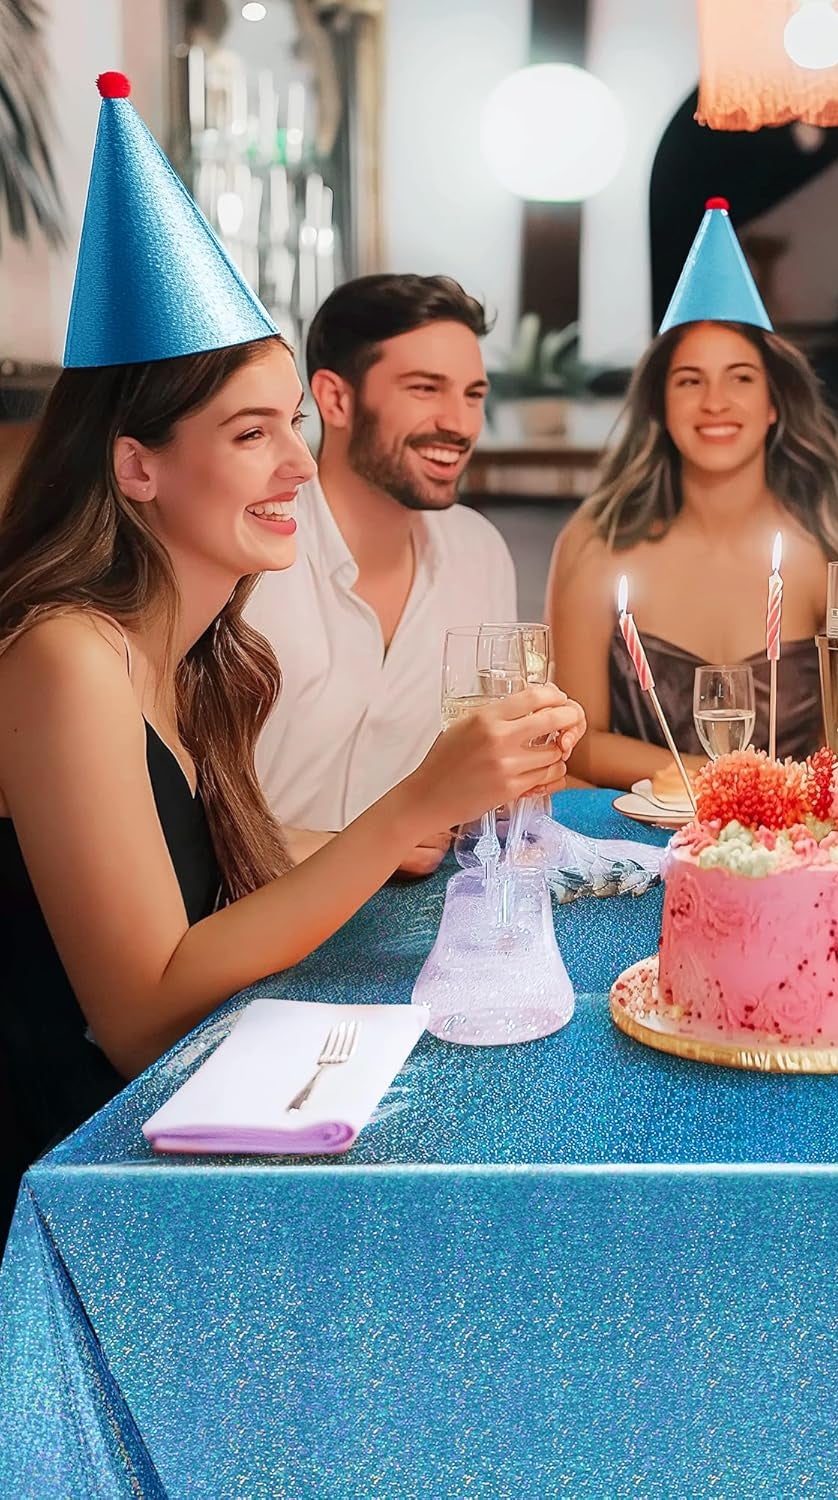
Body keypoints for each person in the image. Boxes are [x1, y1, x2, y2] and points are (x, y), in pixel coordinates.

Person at [0, 75, 584, 1209]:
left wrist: (375, 835)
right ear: (137, 466)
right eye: (251, 432)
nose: (299, 466)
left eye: (294, 430)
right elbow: (137, 1015)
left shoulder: (196, 650)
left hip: (177, 1114)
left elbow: (200, 870)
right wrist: (404, 811)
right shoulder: (64, 656)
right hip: (83, 1178)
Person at [547, 198, 838, 791]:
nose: (715, 402)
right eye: (689, 380)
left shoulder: (830, 551)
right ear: (660, 403)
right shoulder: (593, 545)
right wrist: (716, 780)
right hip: (640, 853)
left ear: (774, 403)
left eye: (741, 379)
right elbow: (575, 744)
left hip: (799, 851)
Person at [245, 274, 519, 873]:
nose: (461, 423)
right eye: (426, 388)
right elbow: (162, 810)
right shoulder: (247, 556)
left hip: (426, 912)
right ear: (335, 399)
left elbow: (487, 760)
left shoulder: (480, 552)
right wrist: (363, 845)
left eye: (474, 395)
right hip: (245, 913)